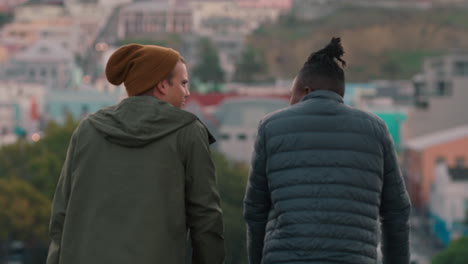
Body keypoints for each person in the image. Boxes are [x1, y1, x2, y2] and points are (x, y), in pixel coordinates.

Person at [47, 44, 225, 264]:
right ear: (161, 85)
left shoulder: (88, 129)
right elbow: (206, 217)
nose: (187, 92)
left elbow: (61, 214)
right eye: (183, 83)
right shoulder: (187, 132)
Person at [243, 38, 411, 264]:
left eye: (292, 94)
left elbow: (255, 211)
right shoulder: (376, 130)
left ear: (305, 90)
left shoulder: (271, 127)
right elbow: (396, 214)